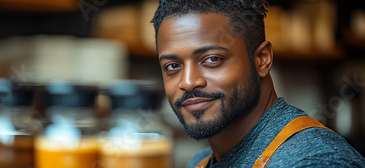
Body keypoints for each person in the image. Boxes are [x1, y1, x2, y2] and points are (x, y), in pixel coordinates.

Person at [151, 0, 365, 167]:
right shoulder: (202, 161)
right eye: (172, 66)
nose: (188, 82)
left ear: (262, 60)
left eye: (212, 59)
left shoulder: (312, 160)